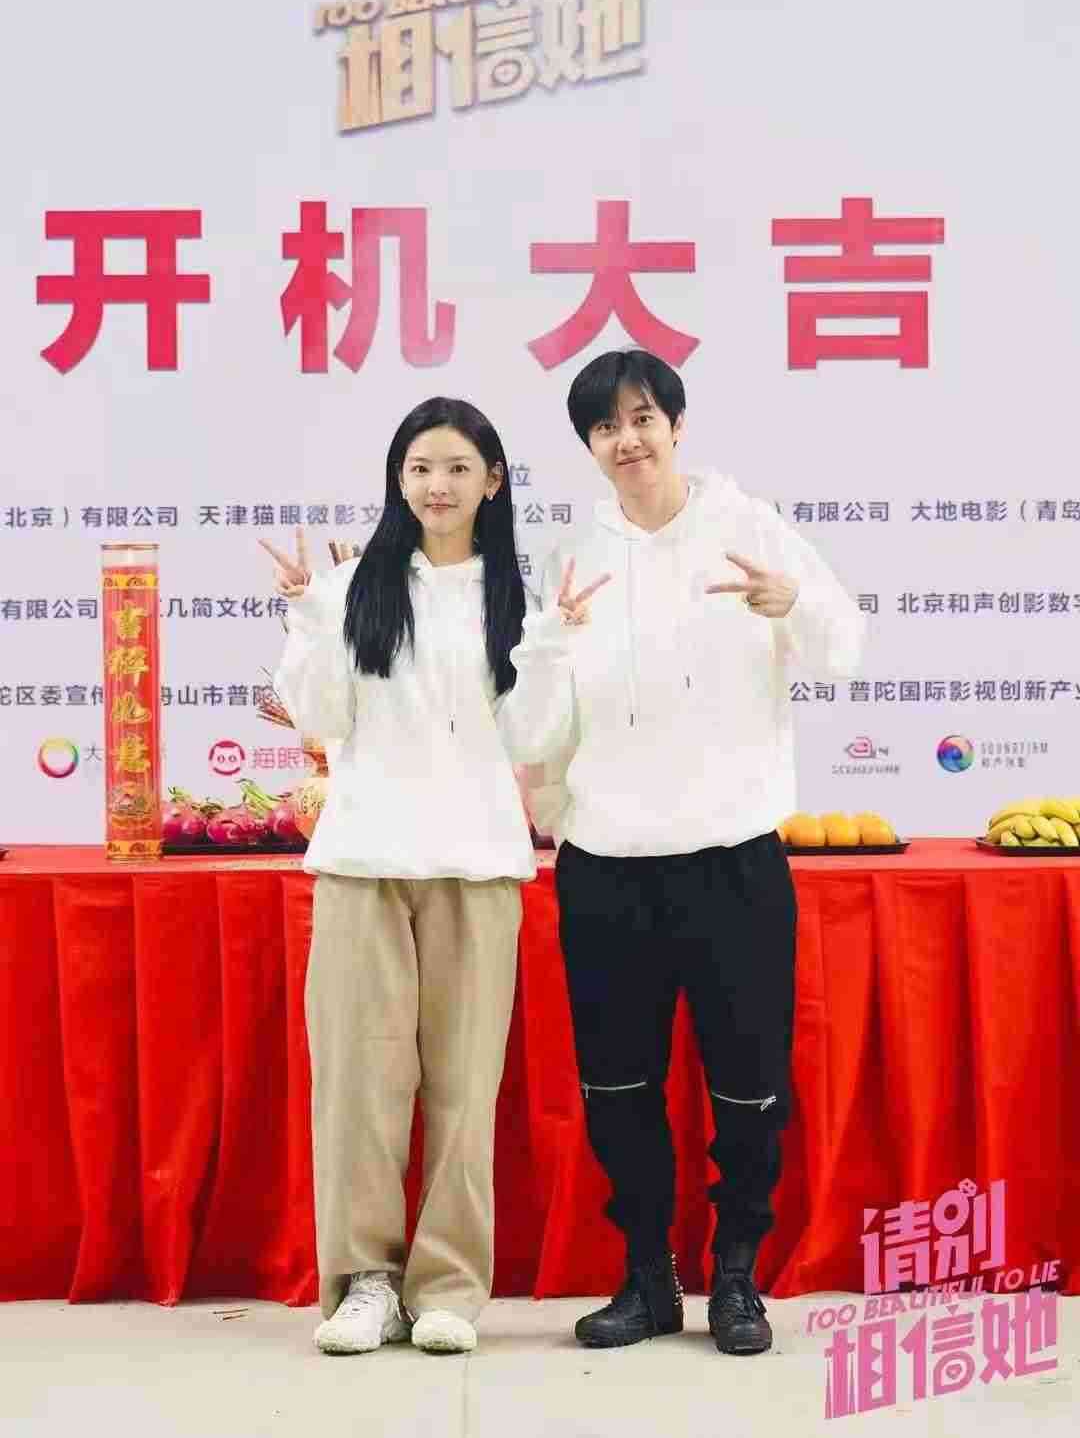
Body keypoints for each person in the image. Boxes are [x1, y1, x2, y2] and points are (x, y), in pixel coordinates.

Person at [523, 349, 866, 1355]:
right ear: (589, 446)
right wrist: (554, 791)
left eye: (643, 418)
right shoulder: (571, 554)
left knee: (749, 1083)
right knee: (616, 1085)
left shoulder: (749, 526)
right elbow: (540, 721)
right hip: (605, 861)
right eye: (605, 428)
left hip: (731, 857)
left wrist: (793, 606)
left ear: (676, 424)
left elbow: (845, 646)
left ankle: (737, 1277)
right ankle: (648, 1278)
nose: (627, 441)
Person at [262, 397, 606, 1357]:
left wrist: (552, 645)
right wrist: (307, 615)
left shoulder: (519, 600)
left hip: (477, 864)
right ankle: (364, 1284)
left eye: (457, 468)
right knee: (358, 1084)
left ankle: (449, 1285)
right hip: (363, 863)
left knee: (463, 1087)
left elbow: (532, 738)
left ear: (493, 481)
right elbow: (323, 716)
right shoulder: (351, 589)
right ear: (397, 479)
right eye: (419, 468)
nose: (436, 486)